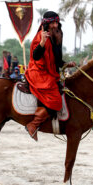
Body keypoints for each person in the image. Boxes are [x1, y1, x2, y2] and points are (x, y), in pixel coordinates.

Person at [24, 11, 75, 141]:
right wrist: (42, 42)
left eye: (56, 22)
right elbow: (36, 56)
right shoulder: (41, 36)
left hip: (50, 73)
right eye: (52, 23)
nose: (55, 25)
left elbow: (57, 61)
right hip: (38, 72)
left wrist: (66, 64)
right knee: (56, 101)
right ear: (46, 24)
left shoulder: (57, 36)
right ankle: (33, 124)